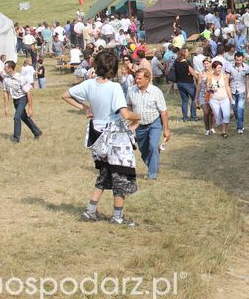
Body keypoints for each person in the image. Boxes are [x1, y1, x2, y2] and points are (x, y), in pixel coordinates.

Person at [63, 50, 142, 226]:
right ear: (113, 70)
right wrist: (138, 117)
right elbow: (125, 114)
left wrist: (85, 108)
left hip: (96, 134)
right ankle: (117, 216)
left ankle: (90, 211)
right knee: (121, 174)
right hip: (115, 137)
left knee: (104, 173)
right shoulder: (114, 87)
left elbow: (66, 95)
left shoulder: (89, 84)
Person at [127, 67, 171, 180]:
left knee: (152, 146)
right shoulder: (131, 90)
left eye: (140, 79)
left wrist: (166, 129)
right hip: (139, 125)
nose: (137, 81)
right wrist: (131, 122)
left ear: (147, 79)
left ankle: (152, 174)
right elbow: (129, 106)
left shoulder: (156, 92)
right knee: (144, 150)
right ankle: (153, 166)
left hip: (154, 123)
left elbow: (163, 112)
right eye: (136, 78)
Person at [1, 60, 42, 144]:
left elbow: (28, 92)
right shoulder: (6, 79)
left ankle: (16, 139)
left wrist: (30, 108)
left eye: (5, 67)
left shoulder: (21, 78)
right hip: (15, 100)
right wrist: (6, 107)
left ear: (10, 68)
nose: (4, 69)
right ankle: (37, 132)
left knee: (16, 117)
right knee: (24, 117)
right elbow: (6, 93)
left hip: (23, 98)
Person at [207, 60, 232, 138]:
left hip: (224, 98)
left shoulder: (224, 76)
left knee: (226, 115)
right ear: (213, 68)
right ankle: (222, 130)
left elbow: (227, 87)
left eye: (221, 68)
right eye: (218, 68)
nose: (220, 69)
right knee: (218, 118)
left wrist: (230, 98)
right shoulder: (210, 76)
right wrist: (211, 89)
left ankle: (224, 131)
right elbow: (207, 88)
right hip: (214, 100)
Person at [229, 52, 249, 134]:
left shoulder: (246, 67)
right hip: (232, 91)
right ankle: (239, 122)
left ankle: (240, 127)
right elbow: (227, 79)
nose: (239, 62)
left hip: (242, 90)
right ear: (235, 59)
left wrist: (248, 93)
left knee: (240, 109)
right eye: (237, 60)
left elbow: (247, 80)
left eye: (240, 60)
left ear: (243, 59)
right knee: (235, 109)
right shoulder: (230, 67)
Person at [173, 49, 198, 122]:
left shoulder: (176, 62)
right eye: (187, 52)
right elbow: (192, 73)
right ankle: (193, 117)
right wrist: (199, 78)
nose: (188, 53)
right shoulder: (186, 62)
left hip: (179, 83)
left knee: (184, 101)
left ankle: (185, 118)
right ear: (184, 54)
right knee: (194, 99)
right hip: (188, 83)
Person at [196, 57, 215, 135]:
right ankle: (207, 129)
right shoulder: (201, 73)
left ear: (210, 63)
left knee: (213, 112)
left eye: (207, 63)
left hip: (212, 95)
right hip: (203, 95)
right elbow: (199, 85)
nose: (206, 65)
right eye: (204, 63)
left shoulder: (214, 72)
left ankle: (212, 127)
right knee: (206, 112)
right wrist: (196, 97)